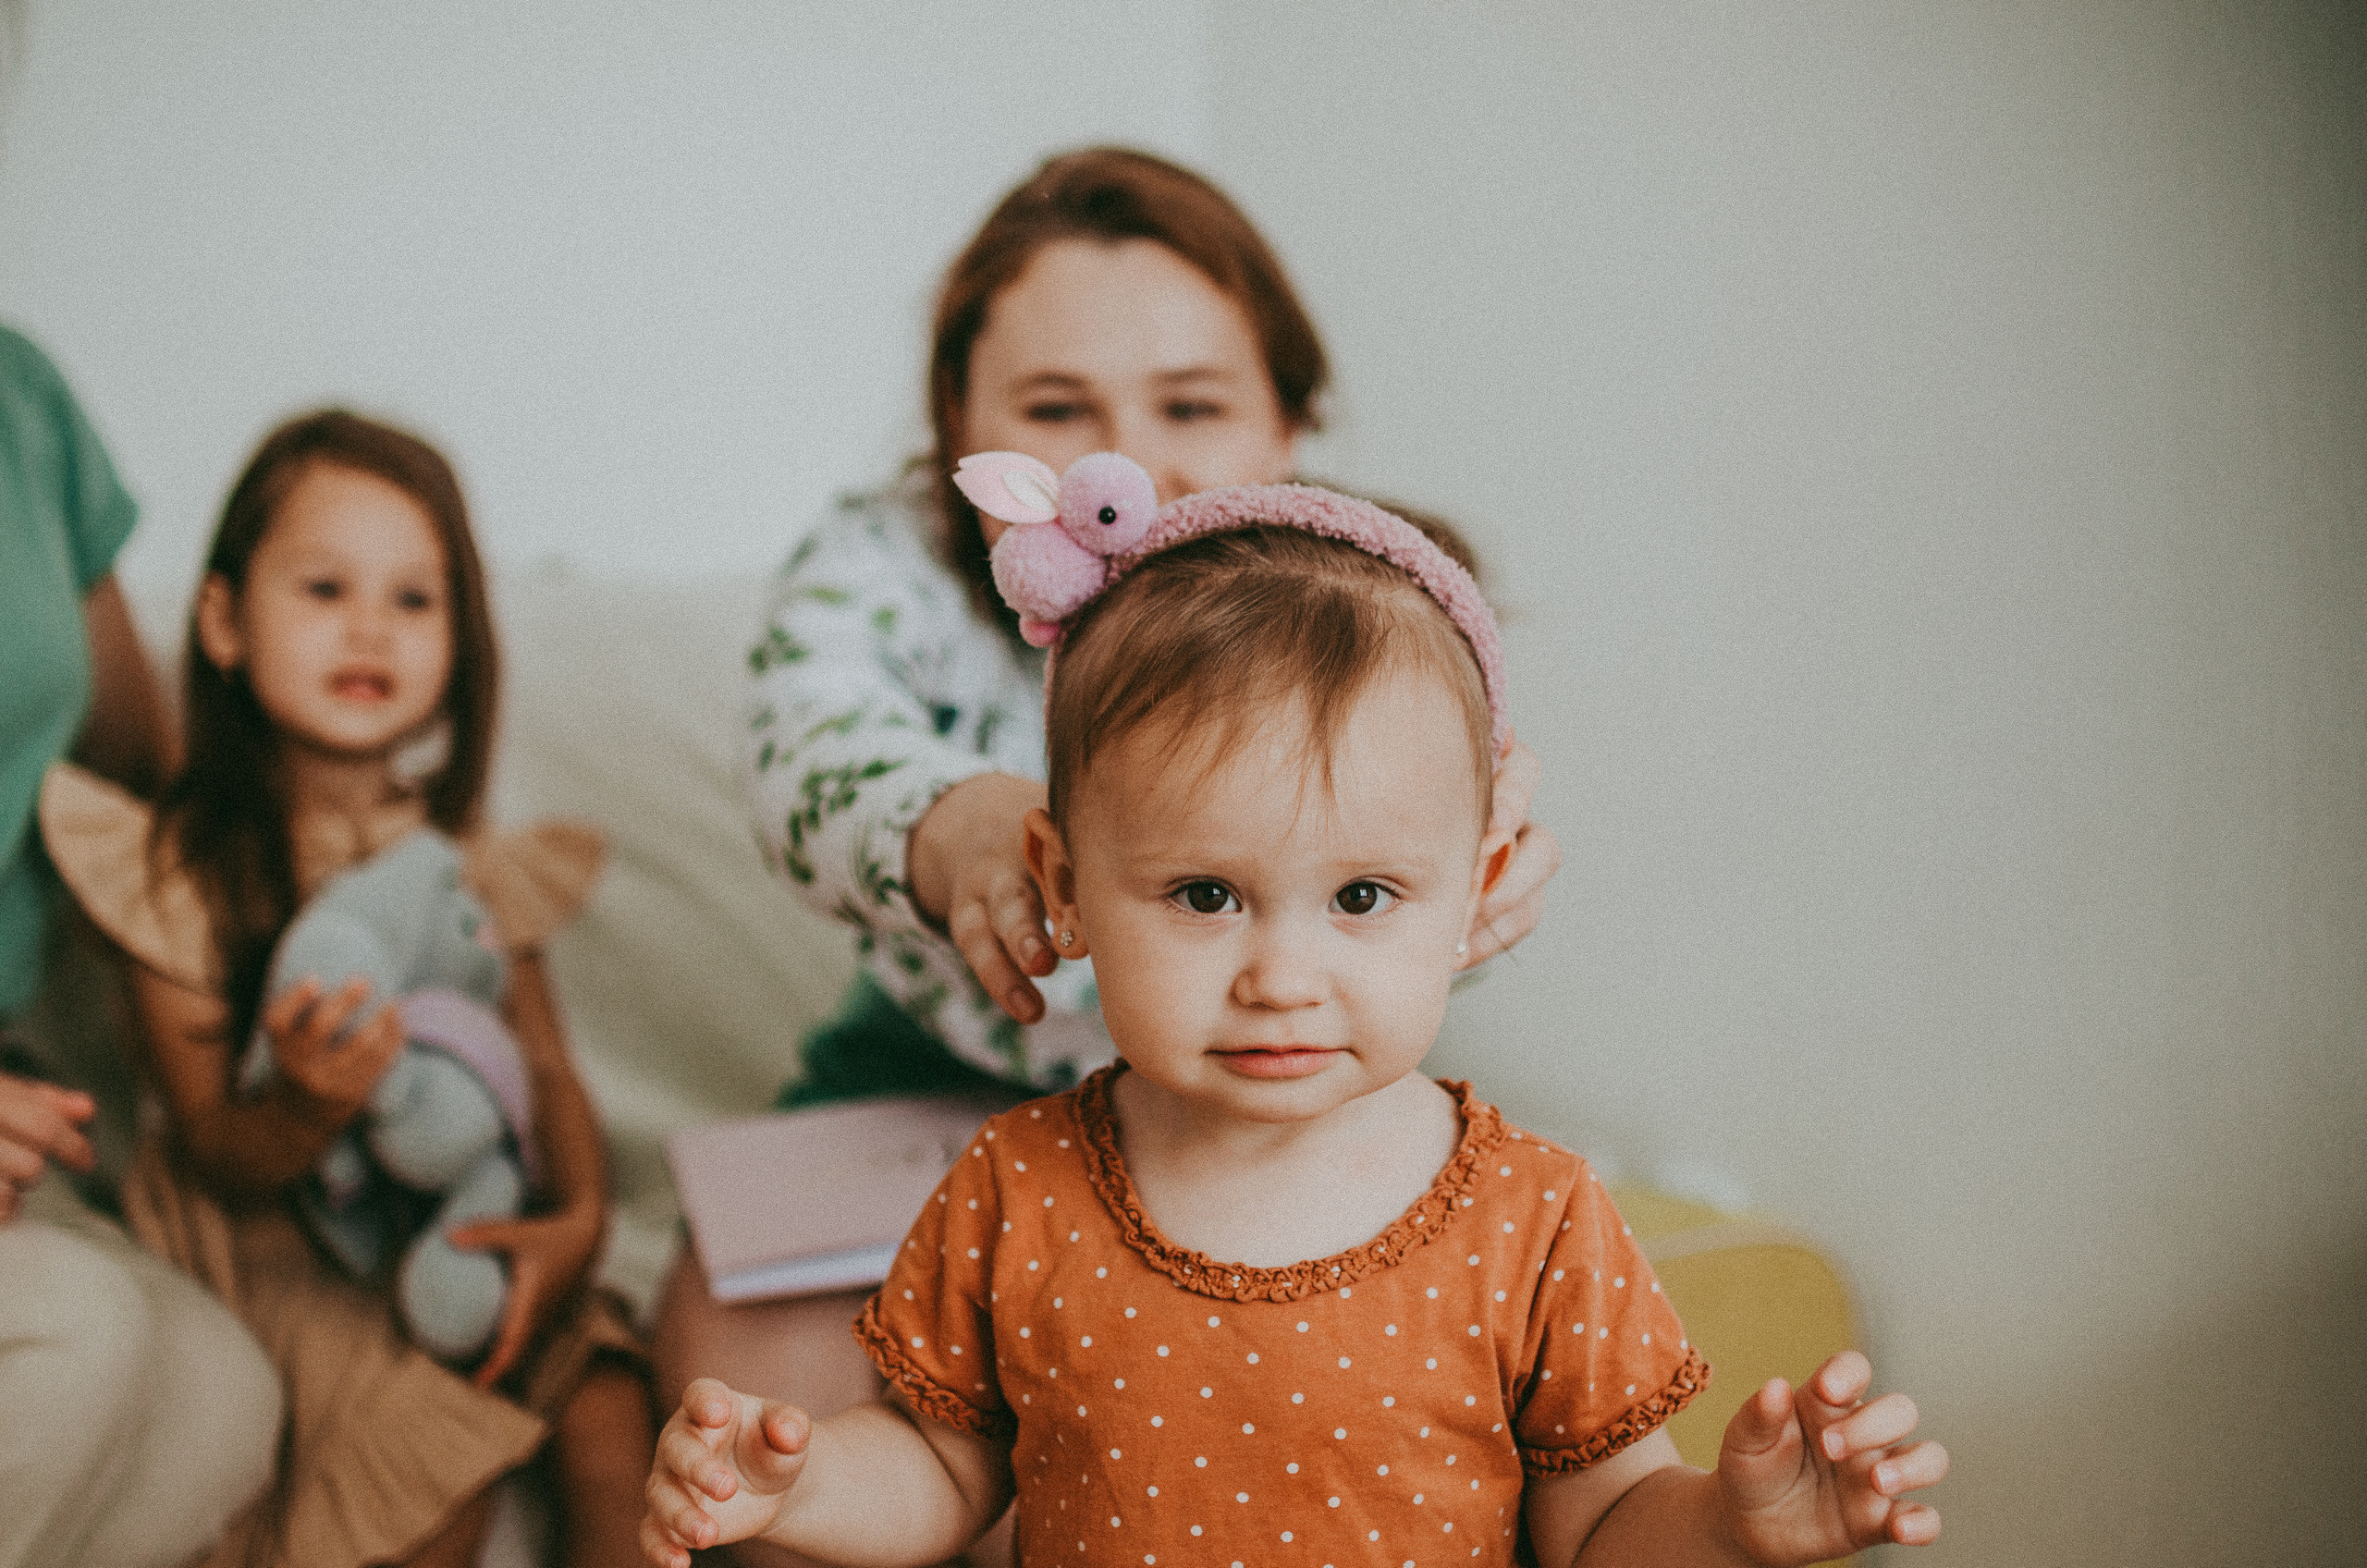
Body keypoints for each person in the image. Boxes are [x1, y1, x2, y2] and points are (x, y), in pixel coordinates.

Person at [644, 472, 1948, 1565]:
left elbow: (1604, 1520)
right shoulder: (1016, 1188)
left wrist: (1730, 1521)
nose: (1282, 974)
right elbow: (941, 1468)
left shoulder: (1534, 1219)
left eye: (1363, 896)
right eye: (1206, 895)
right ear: (1066, 886)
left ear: (1479, 891)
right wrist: (799, 1491)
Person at [658, 149, 1563, 1524]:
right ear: (956, 425)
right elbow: (805, 737)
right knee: (748, 1393)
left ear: (1289, 428)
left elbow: (1428, 827)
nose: (1122, 465)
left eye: (1191, 404)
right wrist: (955, 826)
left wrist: (1476, 874)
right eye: (1055, 409)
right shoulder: (886, 563)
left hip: (1256, 1097)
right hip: (931, 1064)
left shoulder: (1350, 600)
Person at [40, 410, 655, 1568]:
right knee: (426, 1466)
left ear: (461, 643)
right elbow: (219, 1141)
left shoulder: (466, 865)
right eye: (325, 588)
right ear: (222, 620)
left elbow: (551, 1067)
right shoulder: (174, 871)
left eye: (414, 601)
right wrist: (309, 1102)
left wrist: (575, 1223)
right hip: (285, 1250)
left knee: (611, 1402)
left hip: (465, 1223)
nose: (370, 626)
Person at [0, 322, 283, 1568]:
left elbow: (144, 775)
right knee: (72, 1339)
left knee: (225, 1401)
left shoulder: (20, 398)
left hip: (16, 1096)